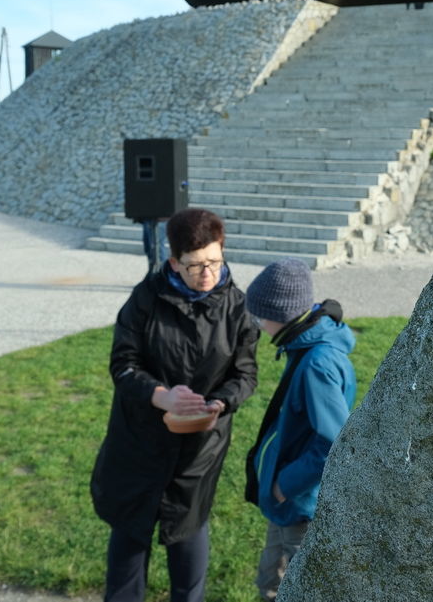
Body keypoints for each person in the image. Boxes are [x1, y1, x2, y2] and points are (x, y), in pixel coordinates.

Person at [90, 207, 259, 602]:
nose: (207, 274)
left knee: (188, 529)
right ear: (173, 262)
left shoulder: (236, 305)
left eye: (215, 262)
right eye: (195, 265)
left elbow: (246, 376)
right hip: (140, 438)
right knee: (130, 534)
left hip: (200, 445)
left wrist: (219, 403)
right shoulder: (146, 298)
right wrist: (162, 396)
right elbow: (123, 364)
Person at [243, 258, 356, 602]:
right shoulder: (304, 345)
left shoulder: (317, 365)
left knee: (292, 588)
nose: (259, 325)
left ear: (281, 314)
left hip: (299, 504)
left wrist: (283, 485)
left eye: (261, 316)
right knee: (270, 580)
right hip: (287, 505)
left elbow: (334, 444)